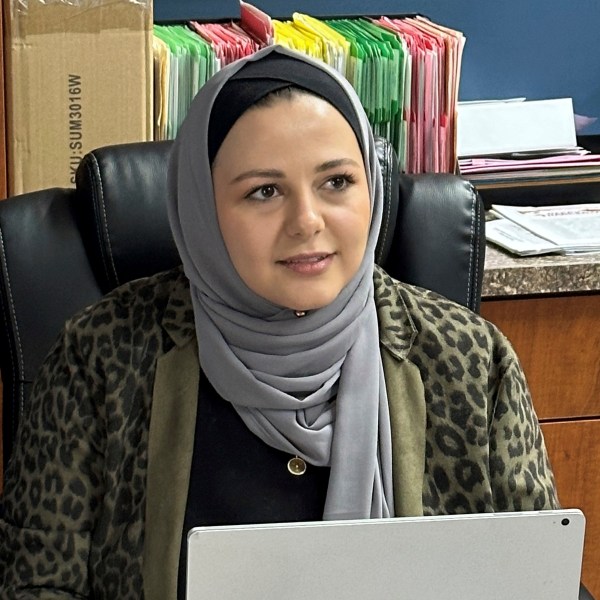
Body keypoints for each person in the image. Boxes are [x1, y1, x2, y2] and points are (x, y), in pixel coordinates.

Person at [0, 45, 558, 599]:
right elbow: (38, 585)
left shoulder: (470, 359)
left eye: (336, 182)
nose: (306, 221)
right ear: (202, 208)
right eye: (264, 192)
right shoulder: (99, 356)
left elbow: (536, 577)